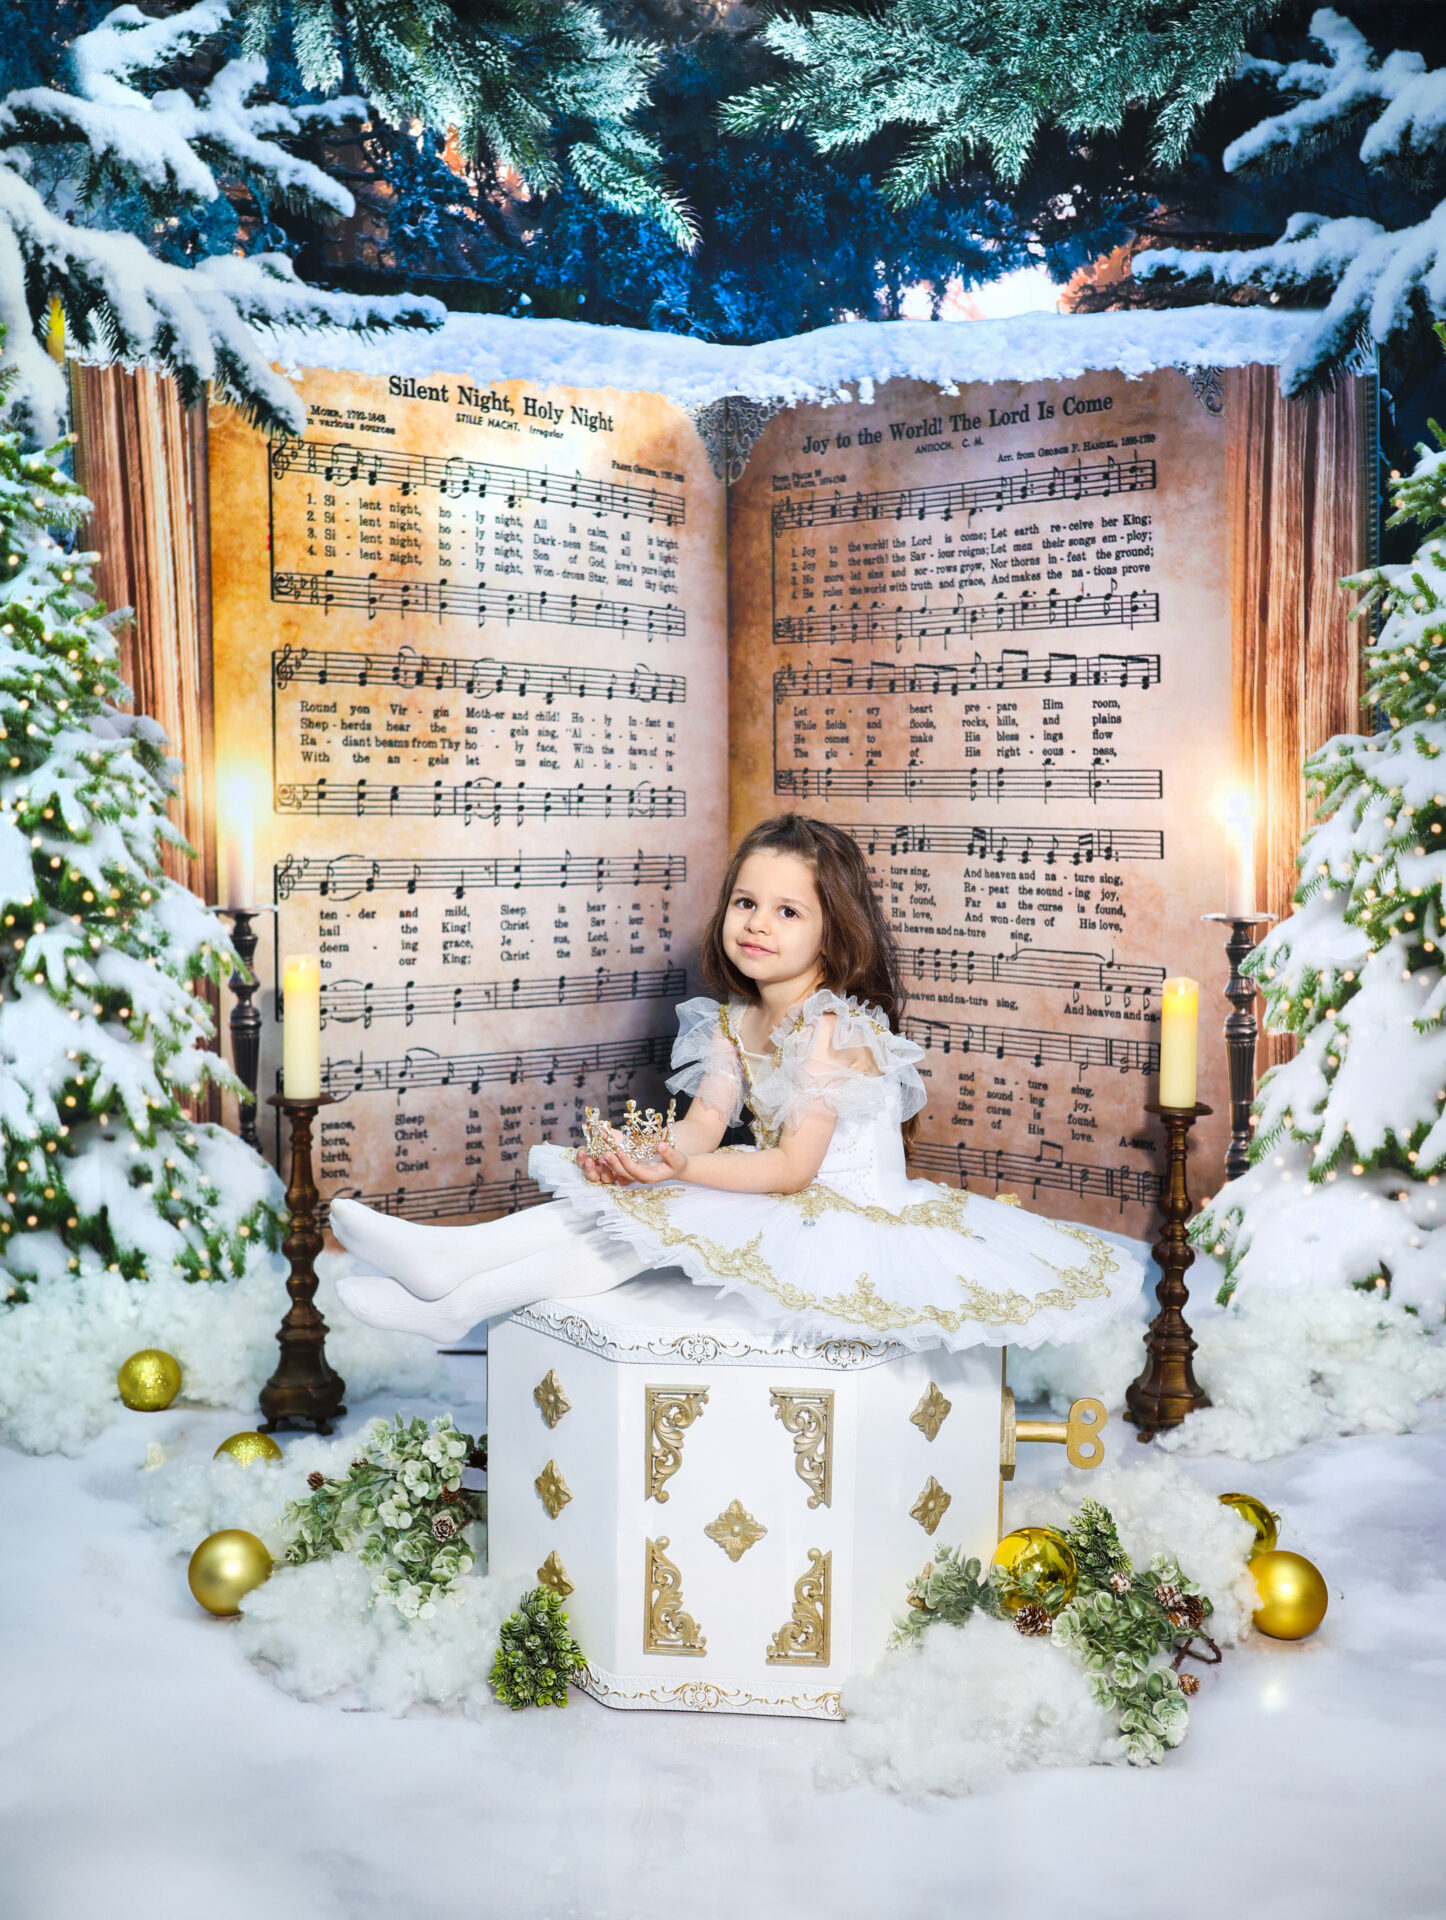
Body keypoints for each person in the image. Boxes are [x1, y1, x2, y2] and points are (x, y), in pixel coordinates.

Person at [332, 814, 1143, 1349]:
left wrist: (678, 1171)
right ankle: (456, 1285)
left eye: (789, 911)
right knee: (635, 1202)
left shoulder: (833, 1030)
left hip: (848, 1221)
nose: (758, 922)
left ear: (835, 930)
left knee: (672, 1200)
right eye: (747, 902)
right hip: (786, 1203)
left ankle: (456, 1281)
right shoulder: (728, 1019)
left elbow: (792, 1169)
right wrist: (649, 1155)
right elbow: (706, 1124)